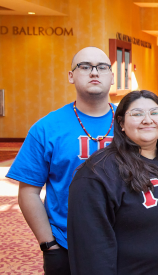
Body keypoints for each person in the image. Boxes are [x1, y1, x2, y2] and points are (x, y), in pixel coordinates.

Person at [67, 90, 158, 274]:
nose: (147, 119)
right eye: (137, 114)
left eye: (154, 112)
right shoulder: (98, 173)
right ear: (121, 123)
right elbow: (91, 253)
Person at [6, 47, 116, 274]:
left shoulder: (134, 121)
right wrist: (49, 245)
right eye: (84, 67)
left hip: (127, 239)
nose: (94, 73)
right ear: (70, 76)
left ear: (111, 76)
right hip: (68, 244)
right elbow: (28, 192)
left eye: (102, 67)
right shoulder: (46, 128)